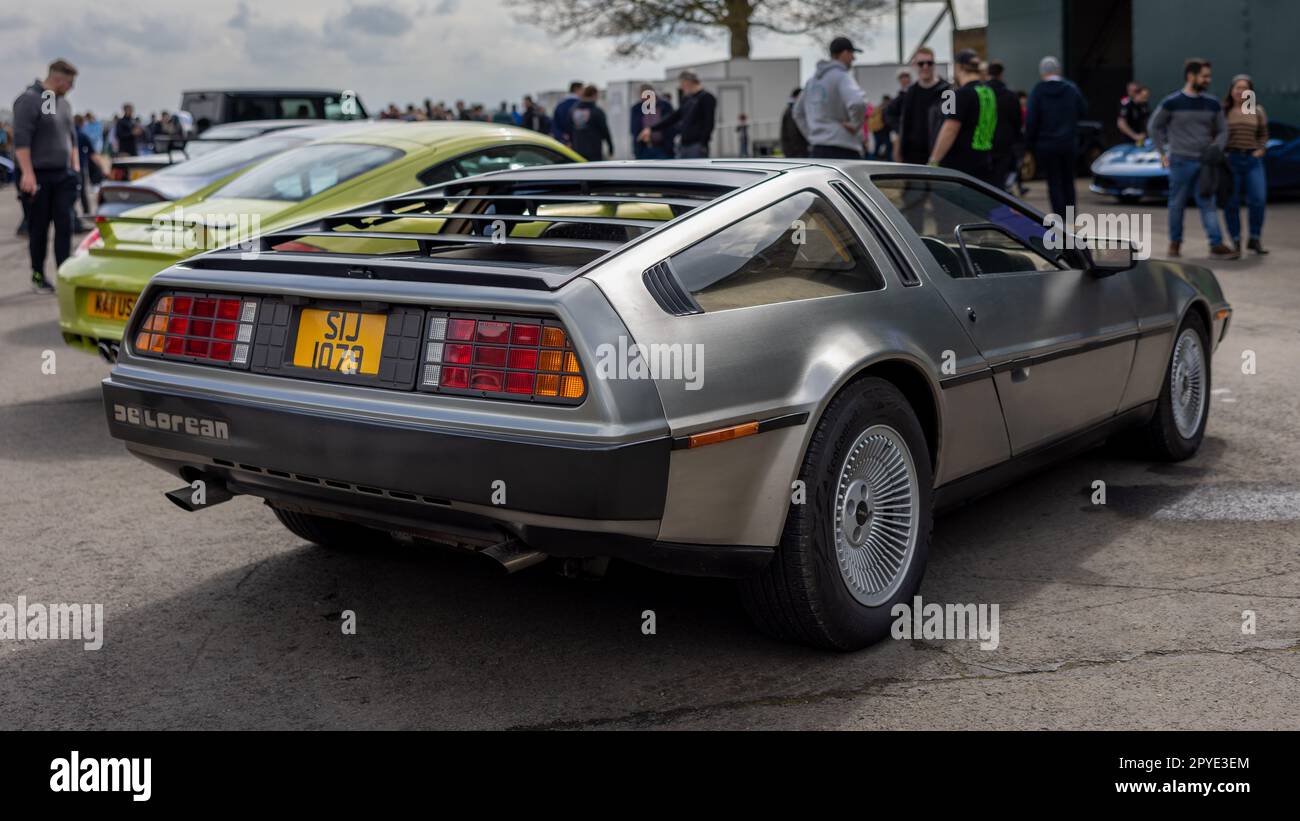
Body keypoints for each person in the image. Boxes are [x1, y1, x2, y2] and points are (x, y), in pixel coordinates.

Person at [1150, 58, 1235, 258]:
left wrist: (1217, 148)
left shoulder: (1212, 103)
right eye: (1204, 76)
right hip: (1180, 161)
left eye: (1209, 76)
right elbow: (1154, 126)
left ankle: (1216, 244)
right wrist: (1162, 152)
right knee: (1177, 203)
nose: (1208, 79)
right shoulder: (1172, 102)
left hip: (1206, 163)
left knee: (1207, 202)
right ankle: (1175, 243)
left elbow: (1224, 130)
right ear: (1191, 76)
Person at [13, 59, 81, 293]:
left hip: (63, 177)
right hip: (38, 176)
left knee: (65, 226)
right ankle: (38, 276)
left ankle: (64, 274)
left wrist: (75, 167)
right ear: (59, 79)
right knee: (39, 230)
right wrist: (28, 173)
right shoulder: (30, 100)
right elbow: (21, 141)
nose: (71, 88)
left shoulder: (63, 104)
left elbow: (71, 138)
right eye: (70, 83)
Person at [1025, 56, 1087, 218]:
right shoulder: (1071, 89)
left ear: (1042, 72)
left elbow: (1031, 119)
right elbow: (1083, 110)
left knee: (1054, 181)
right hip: (1068, 142)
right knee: (1068, 179)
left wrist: (1029, 144)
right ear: (1058, 70)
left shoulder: (1038, 91)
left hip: (1046, 144)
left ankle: (1059, 217)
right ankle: (1071, 215)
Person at [793, 36, 868, 159]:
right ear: (844, 53)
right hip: (843, 149)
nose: (853, 58)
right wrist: (855, 125)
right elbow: (858, 102)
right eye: (851, 54)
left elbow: (797, 112)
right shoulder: (841, 76)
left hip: (817, 150)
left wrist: (813, 135)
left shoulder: (811, 82)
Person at [928, 48, 996, 183]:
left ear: (958, 67)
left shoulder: (957, 94)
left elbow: (950, 129)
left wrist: (933, 161)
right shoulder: (989, 92)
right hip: (983, 162)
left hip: (960, 170)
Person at [1222, 74, 1269, 254]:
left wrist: (1261, 149)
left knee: (1258, 199)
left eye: (1245, 88)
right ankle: (1235, 241)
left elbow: (1263, 134)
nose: (1241, 92)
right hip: (1231, 160)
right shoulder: (1224, 111)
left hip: (1252, 160)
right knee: (1231, 202)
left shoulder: (1256, 110)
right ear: (1231, 90)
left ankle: (1254, 238)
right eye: (1238, 88)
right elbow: (1215, 134)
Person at [887, 47, 950, 164]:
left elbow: (951, 124)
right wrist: (898, 140)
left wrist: (936, 157)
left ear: (934, 64)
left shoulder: (947, 92)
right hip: (912, 157)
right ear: (915, 65)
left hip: (939, 157)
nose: (925, 66)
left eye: (929, 63)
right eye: (921, 63)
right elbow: (891, 114)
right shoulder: (909, 92)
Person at [640, 71, 717, 159]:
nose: (681, 87)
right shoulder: (687, 99)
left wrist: (703, 143)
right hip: (684, 144)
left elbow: (709, 123)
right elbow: (674, 117)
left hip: (697, 145)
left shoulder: (707, 98)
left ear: (687, 82)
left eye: (682, 84)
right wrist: (652, 128)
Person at [986, 61, 1022, 191]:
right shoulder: (1010, 96)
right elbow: (1017, 122)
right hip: (1005, 144)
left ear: (987, 73)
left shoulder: (981, 94)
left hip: (985, 143)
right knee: (1001, 183)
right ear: (1001, 74)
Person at [569, 85, 613, 161]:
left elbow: (569, 128)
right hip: (594, 151)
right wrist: (610, 146)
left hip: (577, 149)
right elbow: (604, 130)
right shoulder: (597, 111)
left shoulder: (573, 110)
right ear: (594, 95)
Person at [630, 84, 674, 159]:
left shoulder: (665, 106)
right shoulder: (636, 108)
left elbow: (671, 125)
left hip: (663, 148)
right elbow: (634, 128)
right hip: (643, 148)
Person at [551, 81, 584, 145]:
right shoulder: (580, 105)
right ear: (577, 89)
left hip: (563, 143)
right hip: (577, 143)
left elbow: (554, 126)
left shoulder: (560, 105)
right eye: (582, 90)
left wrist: (562, 136)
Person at [779, 88, 808, 158]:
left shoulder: (790, 109)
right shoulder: (793, 111)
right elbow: (793, 133)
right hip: (795, 152)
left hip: (793, 150)